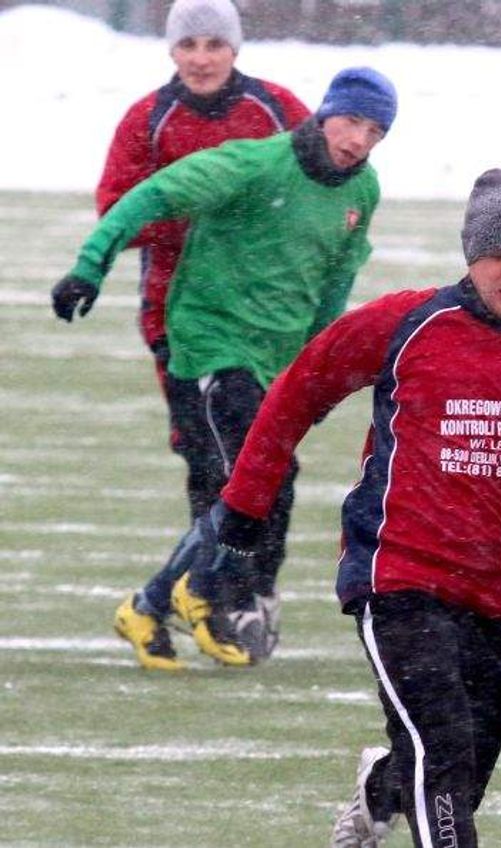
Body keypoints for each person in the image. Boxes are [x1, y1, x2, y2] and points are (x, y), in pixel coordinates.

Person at [163, 168, 501, 846]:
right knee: (443, 757)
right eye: (497, 255)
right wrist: (246, 501)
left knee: (455, 776)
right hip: (399, 579)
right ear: (470, 255)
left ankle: (381, 784)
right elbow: (299, 391)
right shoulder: (407, 324)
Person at [51, 66, 399, 671]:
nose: (357, 140)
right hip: (209, 343)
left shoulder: (361, 191)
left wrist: (314, 371)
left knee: (268, 484)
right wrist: (90, 265)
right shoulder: (252, 164)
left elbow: (335, 283)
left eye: (374, 132)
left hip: (274, 360)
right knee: (246, 479)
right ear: (324, 113)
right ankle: (188, 596)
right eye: (350, 122)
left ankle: (173, 599)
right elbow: (151, 195)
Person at [97, 0, 309, 522]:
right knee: (203, 454)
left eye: (214, 44)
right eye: (187, 44)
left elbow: (319, 188)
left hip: (261, 314)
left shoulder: (277, 110)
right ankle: (213, 586)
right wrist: (200, 218)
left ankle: (249, 587)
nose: (200, 58)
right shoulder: (148, 118)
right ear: (171, 49)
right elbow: (113, 209)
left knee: (261, 456)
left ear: (234, 48)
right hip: (175, 312)